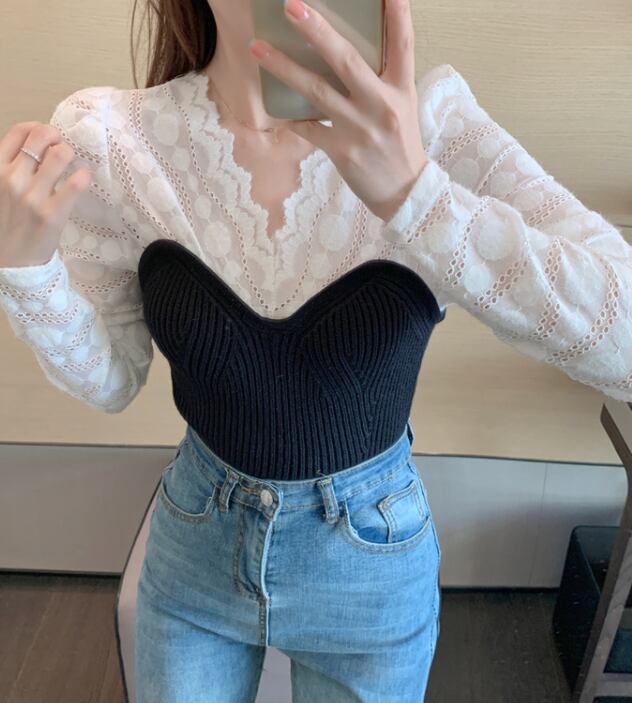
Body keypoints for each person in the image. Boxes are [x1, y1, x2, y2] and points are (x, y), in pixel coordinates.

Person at [0, 0, 630, 700]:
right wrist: (26, 270)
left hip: (371, 567)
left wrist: (418, 195)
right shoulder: (113, 141)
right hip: (195, 546)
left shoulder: (434, 128)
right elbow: (113, 379)